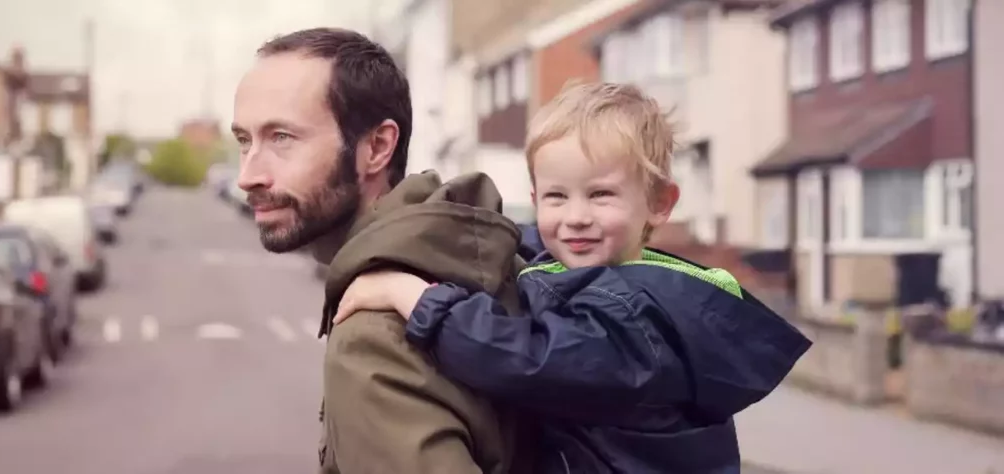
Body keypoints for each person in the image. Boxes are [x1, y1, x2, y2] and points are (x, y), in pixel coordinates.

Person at [332, 82, 813, 473]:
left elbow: (525, 358)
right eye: (557, 197)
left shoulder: (635, 317)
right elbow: (537, 248)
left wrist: (413, 296)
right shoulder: (610, 268)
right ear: (536, 197)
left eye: (601, 195)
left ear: (660, 203)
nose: (575, 218)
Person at [231, 28, 534, 474]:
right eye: (244, 141)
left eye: (281, 138)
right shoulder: (476, 256)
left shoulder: (374, 334)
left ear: (376, 147)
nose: (248, 175)